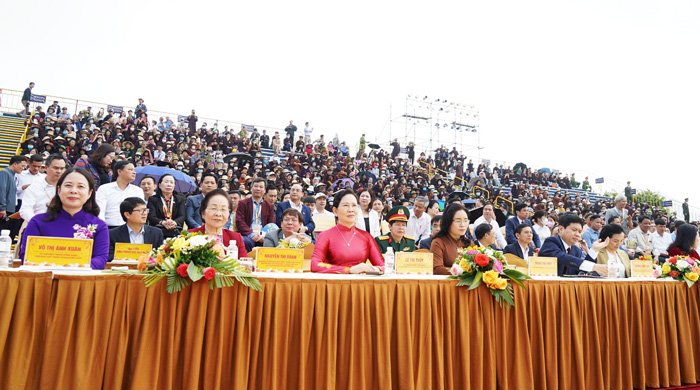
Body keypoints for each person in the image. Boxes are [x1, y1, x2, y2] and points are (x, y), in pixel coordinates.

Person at [19, 168, 109, 269]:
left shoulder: (98, 226)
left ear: (89, 193)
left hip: (81, 281)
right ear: (59, 190)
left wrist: (73, 268)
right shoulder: (38, 222)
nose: (73, 191)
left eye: (80, 186)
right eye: (68, 185)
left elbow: (100, 259)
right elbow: (26, 257)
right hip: (45, 281)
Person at [311, 189, 384, 274]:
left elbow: (383, 266)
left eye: (354, 205)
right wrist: (349, 270)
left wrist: (375, 269)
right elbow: (314, 265)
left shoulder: (366, 237)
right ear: (335, 211)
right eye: (346, 205)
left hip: (361, 285)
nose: (351, 210)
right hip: (334, 284)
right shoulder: (325, 236)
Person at [539, 214, 609, 276]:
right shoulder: (551, 242)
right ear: (561, 229)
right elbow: (562, 257)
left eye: (580, 232)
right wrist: (594, 266)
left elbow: (582, 270)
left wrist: (593, 250)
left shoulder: (576, 250)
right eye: (574, 230)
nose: (577, 234)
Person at [188, 189, 248, 259]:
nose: (218, 214)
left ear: (229, 214)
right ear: (203, 213)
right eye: (213, 208)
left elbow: (244, 266)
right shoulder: (189, 236)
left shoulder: (235, 238)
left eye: (223, 209)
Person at [96, 161, 145, 229]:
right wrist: (102, 228)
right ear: (119, 171)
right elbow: (100, 211)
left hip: (130, 228)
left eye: (134, 170)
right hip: (108, 227)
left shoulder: (138, 191)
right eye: (130, 170)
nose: (134, 172)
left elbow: (140, 211)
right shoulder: (104, 189)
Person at [20, 154, 67, 222]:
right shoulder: (35, 187)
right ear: (46, 168)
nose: (59, 171)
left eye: (62, 168)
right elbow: (25, 210)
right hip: (40, 226)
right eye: (56, 168)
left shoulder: (68, 188)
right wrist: (38, 222)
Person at [431, 203, 472, 275]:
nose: (463, 225)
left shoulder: (468, 243)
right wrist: (460, 271)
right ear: (448, 222)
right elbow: (437, 269)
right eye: (458, 221)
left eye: (465, 221)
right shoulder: (438, 242)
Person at [235, 178, 275, 251]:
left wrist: (264, 236)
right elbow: (240, 221)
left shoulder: (269, 206)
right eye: (256, 186)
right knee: (246, 242)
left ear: (265, 190)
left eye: (261, 187)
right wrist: (251, 235)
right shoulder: (242, 203)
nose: (258, 189)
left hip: (263, 235)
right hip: (248, 234)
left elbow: (271, 223)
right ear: (251, 188)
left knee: (271, 243)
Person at [147, 174, 186, 238]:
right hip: (157, 231)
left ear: (174, 186)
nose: (169, 184)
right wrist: (163, 222)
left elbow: (182, 216)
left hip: (175, 231)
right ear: (159, 185)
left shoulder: (180, 199)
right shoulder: (152, 199)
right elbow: (151, 216)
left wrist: (174, 223)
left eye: (171, 182)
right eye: (166, 182)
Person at [0, 156, 27, 234]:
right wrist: (2, 208)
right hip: (4, 210)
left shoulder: (13, 175)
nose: (23, 168)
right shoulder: (4, 173)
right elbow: (2, 190)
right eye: (22, 166)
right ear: (15, 164)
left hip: (10, 210)